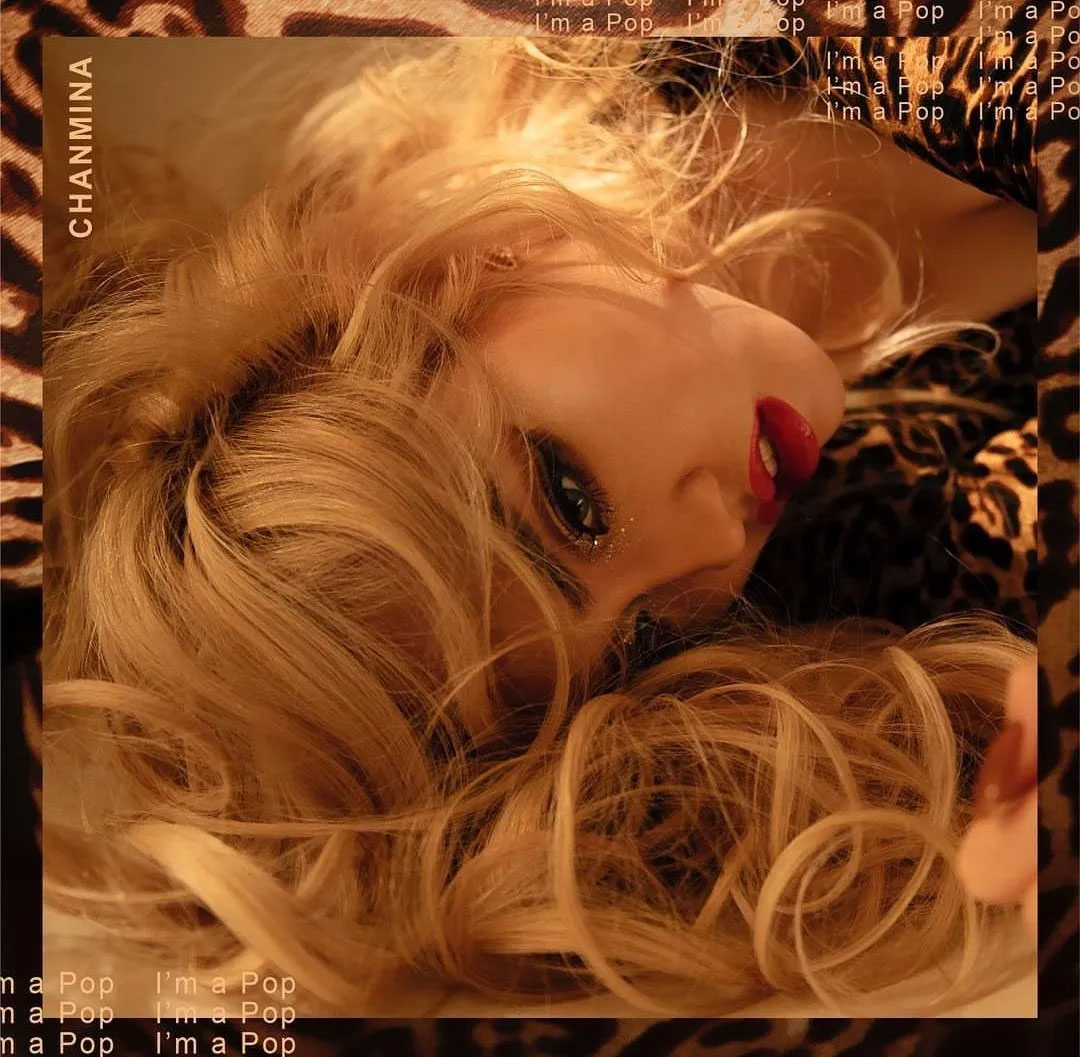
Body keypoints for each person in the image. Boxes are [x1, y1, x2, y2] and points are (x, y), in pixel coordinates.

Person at [42, 37, 1037, 1016]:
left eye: (571, 501)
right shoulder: (897, 561)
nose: (713, 556)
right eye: (648, 637)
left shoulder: (702, 34)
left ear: (443, 274)